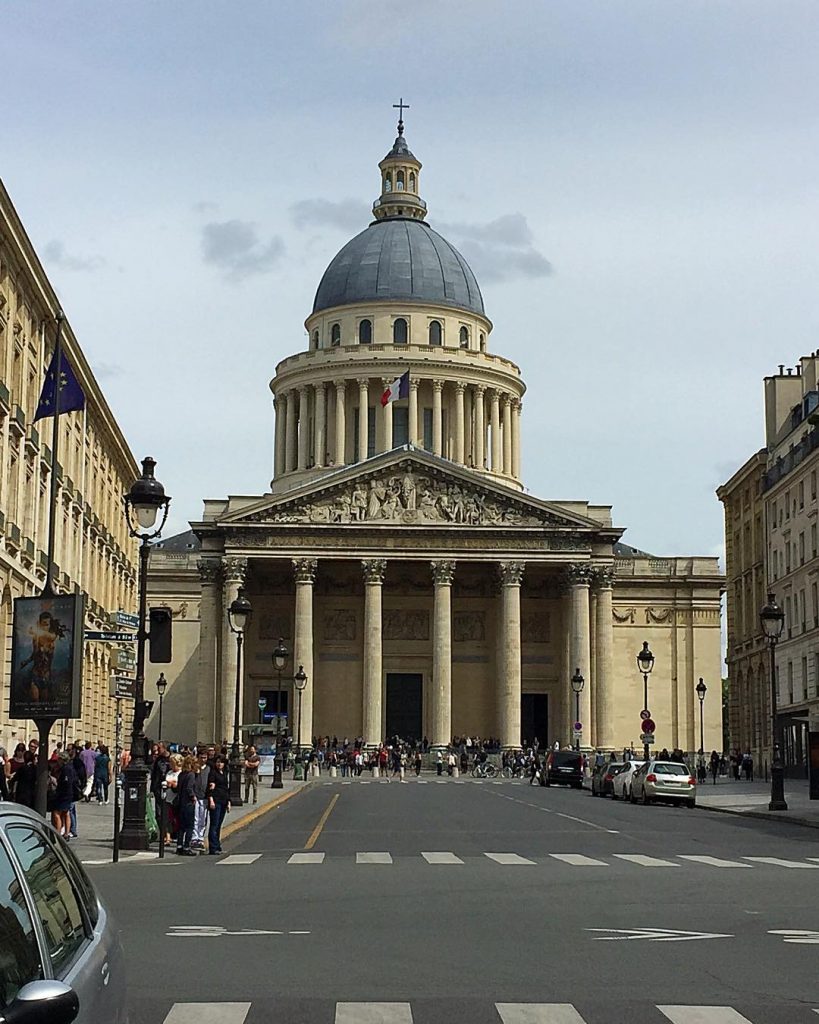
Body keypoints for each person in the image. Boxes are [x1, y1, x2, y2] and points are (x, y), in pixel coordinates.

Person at [207, 754, 230, 855]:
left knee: (219, 825)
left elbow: (226, 788)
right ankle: (213, 847)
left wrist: (229, 801)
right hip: (216, 800)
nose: (219, 764)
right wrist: (211, 800)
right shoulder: (213, 773)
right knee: (214, 824)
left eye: (221, 762)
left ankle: (218, 845)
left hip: (223, 800)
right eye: (217, 762)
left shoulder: (224, 773)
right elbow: (210, 787)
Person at [175, 755, 198, 856]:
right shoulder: (191, 775)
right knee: (189, 826)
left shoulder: (181, 774)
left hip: (180, 802)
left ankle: (179, 846)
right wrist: (193, 797)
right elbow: (189, 788)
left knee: (181, 826)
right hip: (188, 803)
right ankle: (186, 847)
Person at [51, 752, 77, 839]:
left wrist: (59, 791)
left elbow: (66, 782)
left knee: (56, 813)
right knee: (66, 813)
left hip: (64, 794)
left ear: (62, 760)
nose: (58, 761)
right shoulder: (70, 767)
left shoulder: (66, 769)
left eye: (59, 759)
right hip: (69, 794)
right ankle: (66, 832)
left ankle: (58, 833)